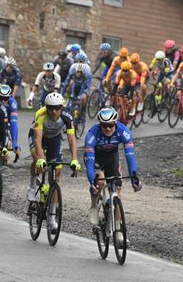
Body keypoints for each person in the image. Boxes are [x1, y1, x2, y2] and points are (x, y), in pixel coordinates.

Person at [84, 107, 141, 243]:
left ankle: (118, 231)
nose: (108, 129)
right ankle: (94, 205)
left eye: (111, 125)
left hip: (111, 158)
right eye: (104, 126)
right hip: (96, 158)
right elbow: (90, 163)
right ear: (100, 124)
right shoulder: (92, 135)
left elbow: (130, 157)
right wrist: (92, 182)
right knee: (100, 182)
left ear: (115, 123)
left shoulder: (124, 132)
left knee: (118, 193)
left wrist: (134, 177)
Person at [26, 92, 81, 232]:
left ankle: (52, 218)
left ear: (61, 107)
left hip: (54, 139)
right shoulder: (40, 114)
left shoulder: (67, 117)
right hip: (38, 137)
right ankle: (32, 187)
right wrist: (41, 159)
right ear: (46, 107)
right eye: (50, 108)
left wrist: (74, 159)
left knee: (57, 173)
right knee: (37, 160)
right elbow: (38, 140)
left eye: (57, 108)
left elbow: (71, 139)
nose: (54, 111)